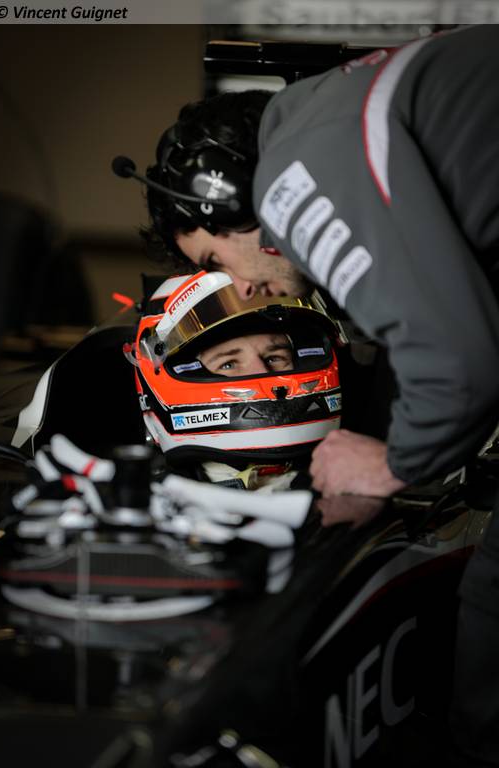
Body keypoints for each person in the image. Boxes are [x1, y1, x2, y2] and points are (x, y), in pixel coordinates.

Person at [136, 25, 499, 765]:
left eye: (215, 259)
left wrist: (392, 461)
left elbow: (459, 365)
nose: (241, 288)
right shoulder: (350, 105)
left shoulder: (299, 168)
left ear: (226, 202)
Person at [129, 269, 341, 491]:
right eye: (228, 364)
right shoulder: (145, 500)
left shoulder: (356, 475)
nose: (261, 371)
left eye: (274, 357)